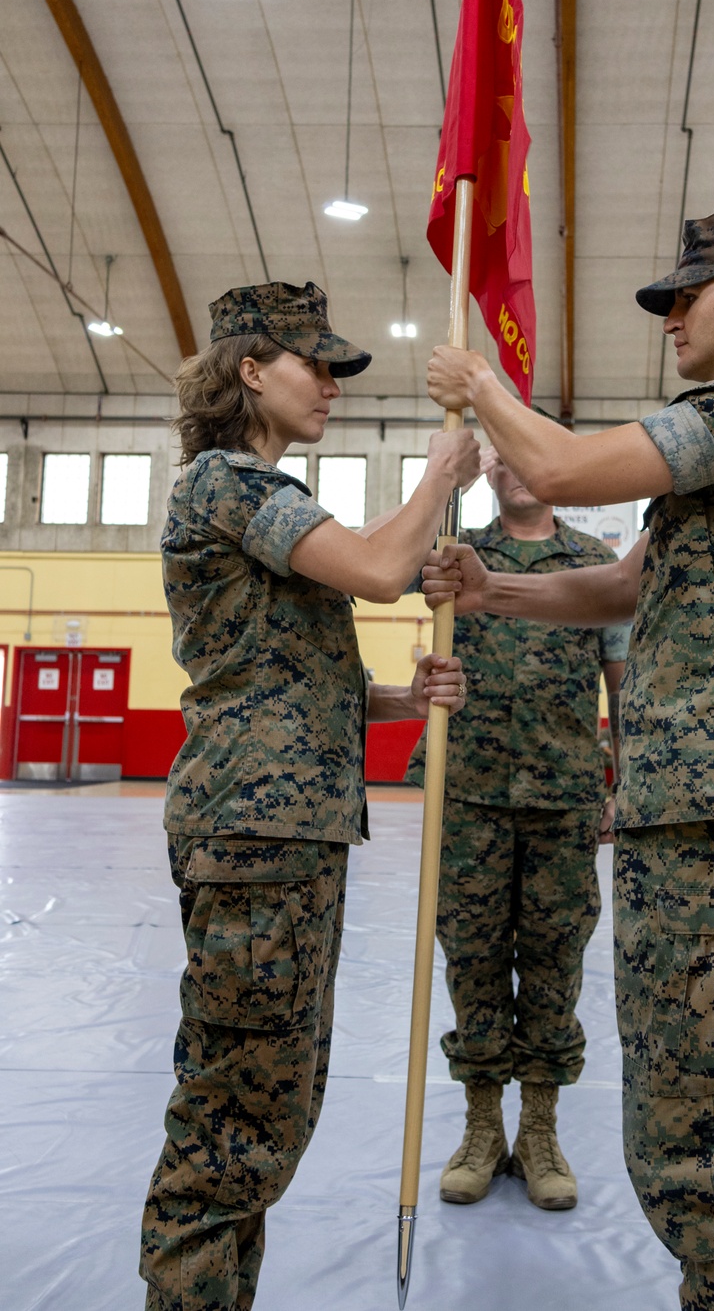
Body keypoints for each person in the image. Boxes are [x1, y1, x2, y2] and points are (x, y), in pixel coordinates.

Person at [421, 213, 714, 1311]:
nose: (669, 320)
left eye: (683, 299)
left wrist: (479, 380)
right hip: (688, 813)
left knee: (701, 1145)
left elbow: (561, 468)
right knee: (679, 1130)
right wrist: (490, 591)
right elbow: (621, 585)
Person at [140, 280, 480, 1311]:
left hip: (281, 829)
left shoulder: (260, 501)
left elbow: (285, 672)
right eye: (313, 363)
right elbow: (380, 570)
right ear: (251, 370)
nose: (331, 383)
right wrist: (436, 477)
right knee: (236, 1116)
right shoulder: (228, 485)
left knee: (267, 1105)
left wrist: (396, 698)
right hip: (256, 832)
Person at [406, 449, 629, 1211]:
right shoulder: (457, 559)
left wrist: (622, 781)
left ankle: (538, 1129)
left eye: (540, 459)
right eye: (507, 462)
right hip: (467, 791)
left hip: (564, 794)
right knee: (470, 958)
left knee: (553, 961)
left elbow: (620, 682)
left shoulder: (593, 562)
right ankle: (480, 1128)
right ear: (490, 475)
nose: (526, 473)